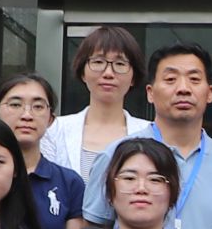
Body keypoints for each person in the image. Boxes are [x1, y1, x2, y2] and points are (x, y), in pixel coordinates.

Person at [81, 43, 212, 229]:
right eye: (170, 79)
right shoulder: (115, 155)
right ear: (150, 92)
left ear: (209, 93)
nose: (183, 89)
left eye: (194, 79)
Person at [0, 72, 87, 229]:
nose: (27, 115)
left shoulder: (69, 182)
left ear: (51, 119)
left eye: (38, 106)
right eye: (15, 105)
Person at [56, 26, 154, 190]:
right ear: (83, 72)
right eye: (98, 62)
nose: (108, 73)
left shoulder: (150, 134)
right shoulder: (55, 131)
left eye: (120, 64)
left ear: (133, 77)